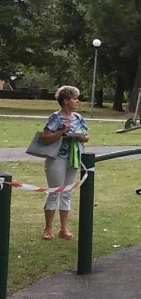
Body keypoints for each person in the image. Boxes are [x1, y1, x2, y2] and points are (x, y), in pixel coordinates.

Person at [39, 86, 89, 240]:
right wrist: (62, 131)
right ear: (66, 101)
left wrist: (80, 136)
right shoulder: (56, 117)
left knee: (67, 193)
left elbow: (86, 137)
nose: (78, 101)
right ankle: (48, 229)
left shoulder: (78, 117)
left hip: (73, 159)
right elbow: (44, 138)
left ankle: (64, 228)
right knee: (55, 192)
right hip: (57, 159)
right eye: (75, 98)